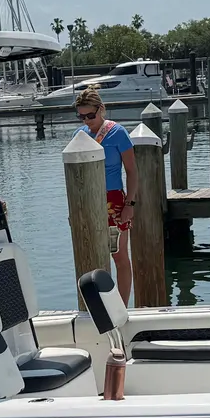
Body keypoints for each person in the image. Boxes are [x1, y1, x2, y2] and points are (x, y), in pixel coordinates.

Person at [74, 86, 137, 301]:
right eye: (81, 116)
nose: (86, 121)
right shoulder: (79, 135)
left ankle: (122, 306)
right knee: (92, 256)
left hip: (114, 200)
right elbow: (75, 175)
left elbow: (131, 171)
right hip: (87, 200)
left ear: (101, 109)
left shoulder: (118, 132)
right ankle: (99, 307)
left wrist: (130, 204)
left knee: (119, 256)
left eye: (90, 115)